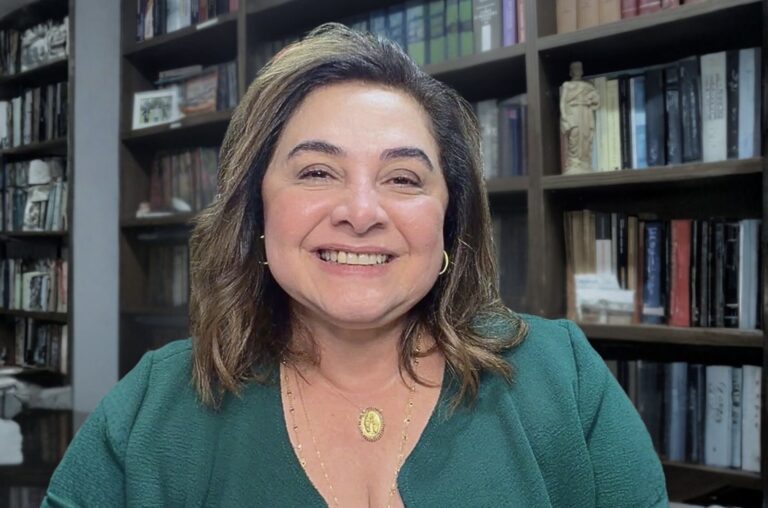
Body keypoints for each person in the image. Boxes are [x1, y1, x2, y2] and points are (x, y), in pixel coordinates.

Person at [42, 23, 667, 507]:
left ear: (449, 221)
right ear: (256, 208)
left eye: (403, 178)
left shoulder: (565, 381)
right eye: (318, 172)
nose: (362, 212)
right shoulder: (152, 409)